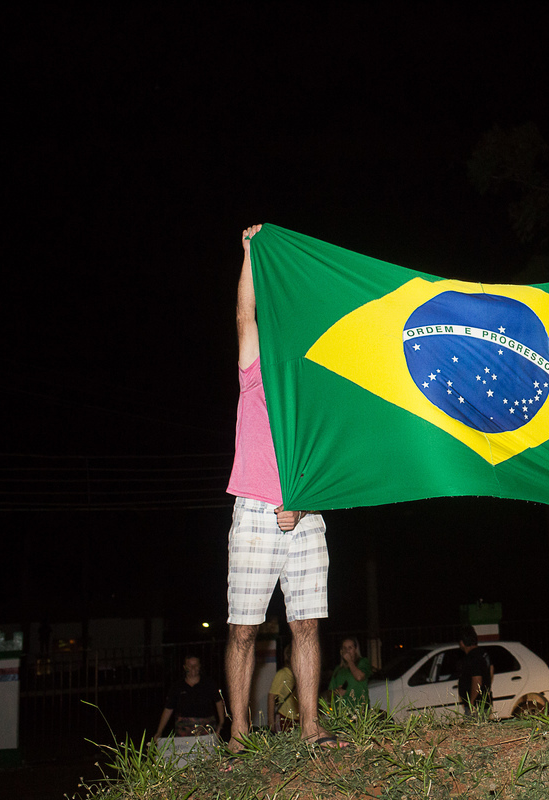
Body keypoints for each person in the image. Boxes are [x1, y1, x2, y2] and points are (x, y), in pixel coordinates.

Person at [225, 224, 337, 750]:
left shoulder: (312, 382)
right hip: (254, 512)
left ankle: (311, 726)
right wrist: (250, 253)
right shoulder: (255, 369)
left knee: (307, 625)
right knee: (244, 629)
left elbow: (325, 456)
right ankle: (239, 734)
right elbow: (244, 316)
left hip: (306, 514)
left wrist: (303, 503)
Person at [155, 656, 225, 739]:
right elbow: (168, 709)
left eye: (196, 665)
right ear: (185, 667)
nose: (193, 668)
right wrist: (159, 731)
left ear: (200, 666)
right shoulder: (177, 686)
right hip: (183, 729)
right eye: (190, 665)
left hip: (206, 727)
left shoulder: (209, 684)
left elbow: (219, 702)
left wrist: (221, 724)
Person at [456, 626, 494, 714]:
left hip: (476, 705)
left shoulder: (472, 657)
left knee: (473, 722)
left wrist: (471, 701)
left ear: (462, 643)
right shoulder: (483, 653)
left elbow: (477, 680)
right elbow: (491, 669)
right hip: (484, 701)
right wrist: (487, 686)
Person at [328, 638, 372, 708]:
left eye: (350, 648)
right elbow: (329, 694)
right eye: (344, 648)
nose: (347, 651)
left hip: (359, 709)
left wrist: (350, 661)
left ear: (355, 650)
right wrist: (336, 692)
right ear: (341, 651)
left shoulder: (363, 662)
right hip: (341, 710)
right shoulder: (338, 669)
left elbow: (359, 677)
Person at [267, 644, 299, 732]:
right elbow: (271, 697)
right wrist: (271, 721)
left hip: (299, 719)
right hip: (284, 718)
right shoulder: (283, 674)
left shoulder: (301, 675)